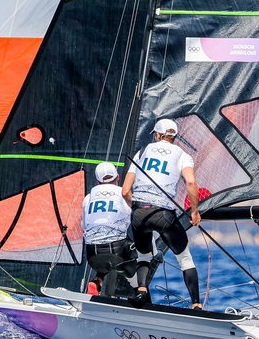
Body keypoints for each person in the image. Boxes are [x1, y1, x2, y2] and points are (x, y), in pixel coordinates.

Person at [122, 118, 202, 310]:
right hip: (164, 215)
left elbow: (125, 191)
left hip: (139, 213)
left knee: (144, 256)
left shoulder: (142, 152)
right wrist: (195, 211)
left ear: (157, 136)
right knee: (184, 258)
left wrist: (140, 208)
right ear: (174, 137)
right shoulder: (183, 155)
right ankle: (196, 304)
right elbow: (190, 183)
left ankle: (141, 291)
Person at [82, 161, 137, 296]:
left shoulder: (88, 198)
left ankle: (97, 280)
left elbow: (84, 227)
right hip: (118, 251)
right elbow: (136, 218)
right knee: (141, 268)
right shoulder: (124, 194)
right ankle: (142, 295)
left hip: (92, 256)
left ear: (98, 182)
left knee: (108, 257)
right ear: (118, 177)